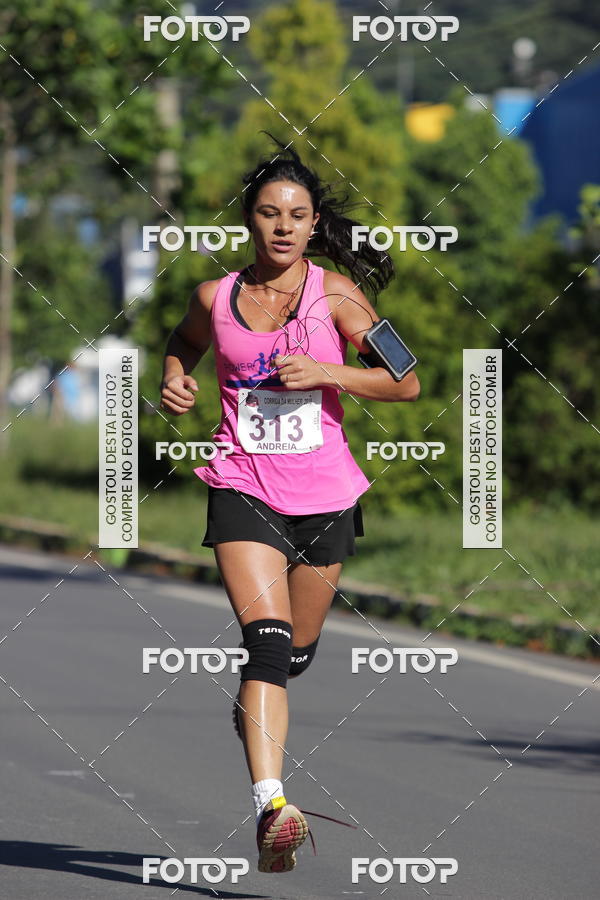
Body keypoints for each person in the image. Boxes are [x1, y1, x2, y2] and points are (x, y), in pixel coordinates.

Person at [159, 135, 420, 874]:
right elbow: (181, 343)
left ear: (313, 226)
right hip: (242, 485)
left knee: (292, 658)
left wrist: (329, 371)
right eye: (269, 212)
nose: (282, 225)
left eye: (297, 215)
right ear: (250, 219)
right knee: (267, 644)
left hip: (327, 497)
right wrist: (175, 380)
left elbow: (407, 383)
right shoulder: (215, 298)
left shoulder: (337, 297)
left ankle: (257, 711)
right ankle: (273, 807)